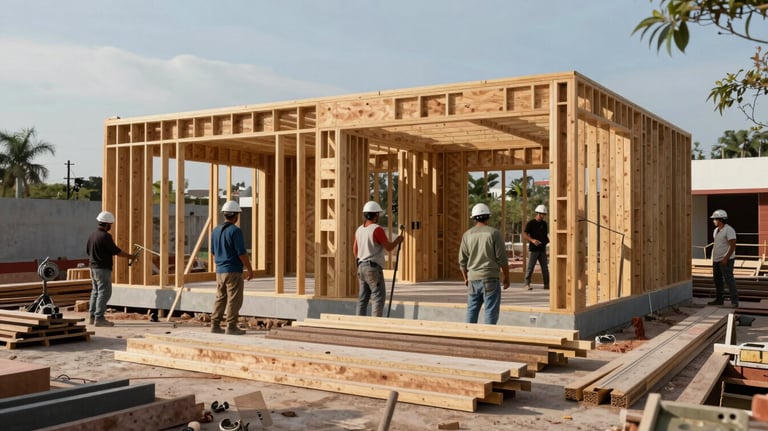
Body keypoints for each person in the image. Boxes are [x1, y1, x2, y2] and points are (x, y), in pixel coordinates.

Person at [458, 203, 510, 324]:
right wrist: (507, 277)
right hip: (490, 278)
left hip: (473, 279)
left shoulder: (467, 235)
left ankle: (468, 333)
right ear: (488, 217)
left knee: (471, 310)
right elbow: (502, 258)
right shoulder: (494, 233)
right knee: (491, 311)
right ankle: (489, 334)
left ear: (473, 218)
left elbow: (462, 261)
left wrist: (466, 278)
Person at [353, 201, 404, 317]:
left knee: (362, 298)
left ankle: (358, 322)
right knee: (378, 297)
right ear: (376, 214)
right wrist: (398, 240)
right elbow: (389, 247)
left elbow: (355, 250)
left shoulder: (359, 230)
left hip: (361, 266)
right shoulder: (377, 229)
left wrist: (361, 262)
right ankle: (375, 323)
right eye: (378, 214)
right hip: (372, 268)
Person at [210, 200, 254, 335]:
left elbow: (213, 252)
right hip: (233, 270)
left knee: (220, 298)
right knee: (234, 299)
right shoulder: (235, 231)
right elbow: (241, 253)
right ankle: (231, 326)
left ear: (224, 214)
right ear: (236, 216)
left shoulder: (216, 230)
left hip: (220, 271)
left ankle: (215, 325)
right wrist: (249, 269)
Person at [86, 210, 133, 327]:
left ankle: (92, 317)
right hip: (102, 269)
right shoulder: (105, 236)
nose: (111, 226)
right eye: (110, 224)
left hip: (93, 268)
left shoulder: (92, 235)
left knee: (95, 292)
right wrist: (130, 256)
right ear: (107, 224)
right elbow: (115, 251)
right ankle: (99, 318)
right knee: (104, 293)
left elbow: (88, 251)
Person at [707, 209, 738, 307]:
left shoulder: (729, 230)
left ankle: (734, 301)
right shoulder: (716, 231)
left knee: (729, 280)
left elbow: (732, 246)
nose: (713, 221)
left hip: (726, 260)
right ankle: (719, 299)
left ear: (720, 220)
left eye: (715, 219)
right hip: (716, 259)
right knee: (717, 280)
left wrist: (726, 258)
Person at [523, 204, 550, 291]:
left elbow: (545, 236)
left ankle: (547, 284)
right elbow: (525, 234)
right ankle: (527, 284)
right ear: (538, 213)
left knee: (545, 268)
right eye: (543, 214)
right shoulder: (531, 223)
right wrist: (532, 240)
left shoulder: (544, 224)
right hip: (533, 250)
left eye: (544, 214)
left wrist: (548, 242)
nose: (543, 216)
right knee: (530, 267)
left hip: (542, 249)